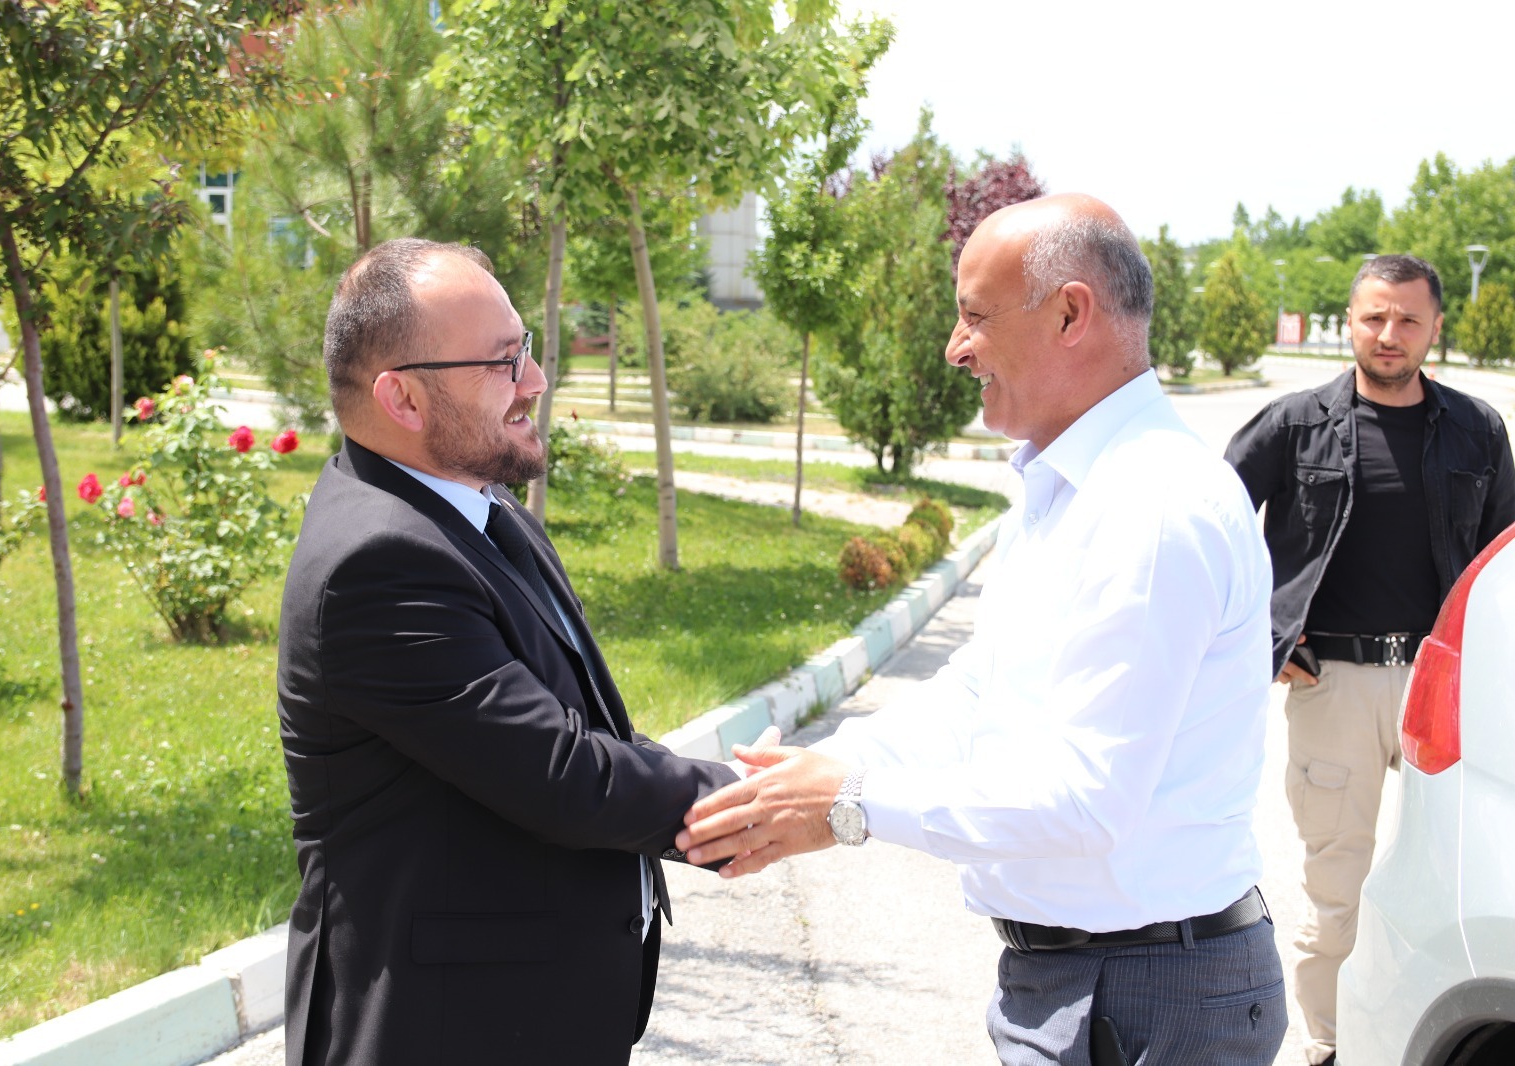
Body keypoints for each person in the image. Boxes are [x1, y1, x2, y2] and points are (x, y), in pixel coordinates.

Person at [678, 194, 1287, 1065]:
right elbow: (982, 690)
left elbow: (1086, 800)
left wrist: (849, 806)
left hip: (1153, 994)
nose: (956, 348)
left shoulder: (1152, 507)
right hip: (1083, 977)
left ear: (1070, 314)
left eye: (975, 317)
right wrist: (826, 771)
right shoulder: (1072, 488)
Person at [275, 238, 751, 1065]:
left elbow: (579, 728)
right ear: (402, 397)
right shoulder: (378, 563)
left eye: (525, 348)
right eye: (502, 361)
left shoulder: (482, 513)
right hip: (439, 1032)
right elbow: (560, 773)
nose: (535, 380)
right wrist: (757, 805)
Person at [1224, 253, 1515, 1066]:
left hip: (1444, 689)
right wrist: (1266, 634)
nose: (1390, 334)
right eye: (1375, 317)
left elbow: (1502, 555)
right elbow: (1209, 530)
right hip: (1336, 687)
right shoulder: (1293, 424)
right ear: (1351, 321)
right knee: (1338, 887)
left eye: (1408, 319)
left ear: (1435, 328)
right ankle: (1329, 1047)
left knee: (1462, 883)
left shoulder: (1478, 429)